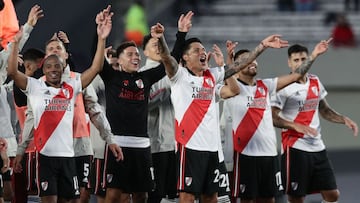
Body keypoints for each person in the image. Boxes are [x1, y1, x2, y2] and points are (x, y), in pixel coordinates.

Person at [150, 19, 290, 202]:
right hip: (190, 147)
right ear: (185, 57)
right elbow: (168, 59)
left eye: (202, 49)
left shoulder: (212, 76)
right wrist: (161, 39)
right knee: (187, 197)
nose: (202, 52)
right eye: (196, 50)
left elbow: (238, 66)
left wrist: (262, 46)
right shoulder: (179, 76)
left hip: (212, 150)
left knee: (211, 198)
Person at [9, 6, 121, 203]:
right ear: (44, 60)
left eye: (58, 48)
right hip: (48, 150)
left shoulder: (77, 81)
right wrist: (22, 150)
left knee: (79, 197)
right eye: (50, 50)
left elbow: (95, 109)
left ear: (66, 55)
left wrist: (108, 137)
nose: (54, 51)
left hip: (79, 146)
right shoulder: (37, 85)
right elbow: (30, 119)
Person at [224, 38, 332, 203]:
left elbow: (297, 75)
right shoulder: (234, 89)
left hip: (270, 155)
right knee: (247, 200)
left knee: (269, 200)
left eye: (253, 60)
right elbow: (229, 75)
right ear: (238, 68)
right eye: (246, 61)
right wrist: (230, 61)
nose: (252, 62)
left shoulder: (265, 86)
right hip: (245, 155)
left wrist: (314, 54)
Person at [271, 43, 358, 203]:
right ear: (289, 63)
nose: (300, 63)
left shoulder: (315, 81)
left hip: (317, 147)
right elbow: (273, 117)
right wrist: (294, 125)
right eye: (296, 60)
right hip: (295, 147)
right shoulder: (283, 87)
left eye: (303, 58)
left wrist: (343, 119)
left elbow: (324, 110)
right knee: (297, 197)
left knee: (333, 195)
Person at [101, 21, 177, 203]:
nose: (135, 57)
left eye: (136, 54)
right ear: (118, 60)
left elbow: (171, 59)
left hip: (144, 145)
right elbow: (97, 63)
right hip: (117, 143)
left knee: (143, 194)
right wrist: (100, 37)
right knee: (114, 195)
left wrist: (179, 34)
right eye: (130, 54)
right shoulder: (113, 77)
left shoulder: (146, 77)